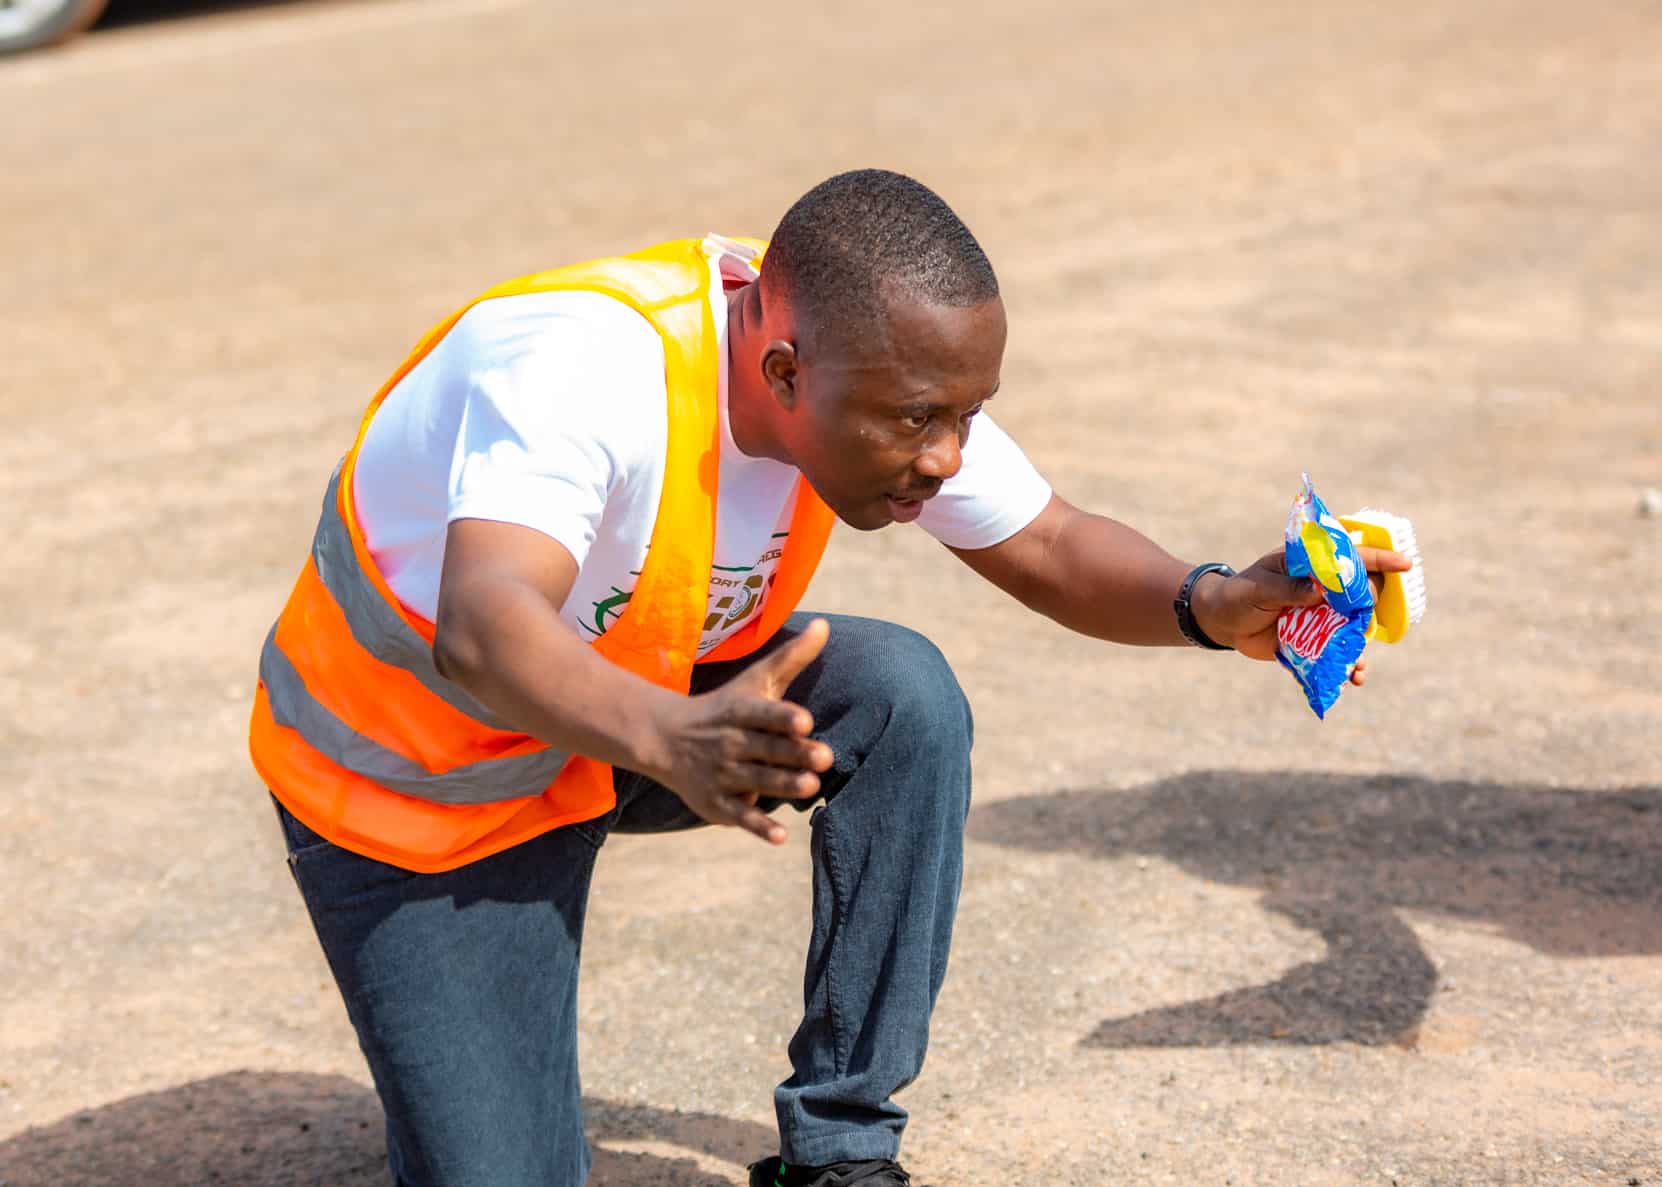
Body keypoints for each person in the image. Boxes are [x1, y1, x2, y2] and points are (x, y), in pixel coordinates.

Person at [250, 168, 1409, 1187]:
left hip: (641, 719)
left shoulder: (872, 356)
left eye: (968, 415)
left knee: (900, 695)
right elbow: (484, 624)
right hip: (419, 792)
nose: (945, 455)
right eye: (920, 420)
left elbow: (1051, 541)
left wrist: (1211, 602)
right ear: (784, 369)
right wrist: (672, 737)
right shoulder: (579, 370)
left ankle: (842, 1146)